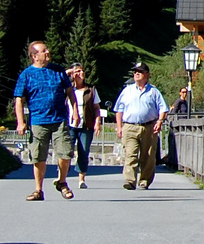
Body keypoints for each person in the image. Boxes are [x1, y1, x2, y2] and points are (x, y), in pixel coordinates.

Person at [13, 41, 78, 201]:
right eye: (44, 51)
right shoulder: (26, 75)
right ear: (35, 56)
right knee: (38, 157)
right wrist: (20, 122)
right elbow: (19, 99)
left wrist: (75, 112)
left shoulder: (58, 71)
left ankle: (62, 182)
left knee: (65, 153)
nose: (48, 52)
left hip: (59, 120)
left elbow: (70, 92)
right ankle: (38, 190)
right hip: (38, 121)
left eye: (47, 49)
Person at [113, 62, 169, 190]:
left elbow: (163, 108)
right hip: (130, 126)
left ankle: (144, 181)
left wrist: (160, 121)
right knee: (130, 154)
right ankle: (130, 180)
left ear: (147, 75)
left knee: (148, 156)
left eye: (140, 72)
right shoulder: (127, 90)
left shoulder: (154, 92)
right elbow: (119, 109)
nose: (136, 74)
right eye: (135, 72)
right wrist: (120, 127)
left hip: (149, 127)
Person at [69, 66, 101, 189]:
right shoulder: (68, 88)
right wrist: (68, 74)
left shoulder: (91, 90)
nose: (81, 73)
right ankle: (61, 176)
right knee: (66, 150)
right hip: (69, 125)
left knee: (83, 151)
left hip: (86, 125)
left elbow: (96, 108)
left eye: (82, 70)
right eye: (77, 71)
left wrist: (97, 122)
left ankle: (81, 179)